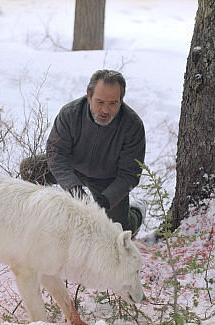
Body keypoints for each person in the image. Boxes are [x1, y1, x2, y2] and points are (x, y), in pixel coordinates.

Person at [20, 69, 146, 236]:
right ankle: (43, 215)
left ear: (121, 100)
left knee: (117, 232)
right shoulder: (70, 113)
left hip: (107, 180)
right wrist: (74, 188)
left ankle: (137, 211)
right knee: (31, 167)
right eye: (99, 102)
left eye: (113, 103)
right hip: (72, 169)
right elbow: (56, 154)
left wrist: (106, 200)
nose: (105, 110)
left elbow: (130, 173)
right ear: (89, 95)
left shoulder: (132, 125)